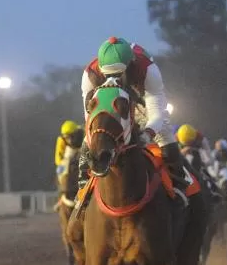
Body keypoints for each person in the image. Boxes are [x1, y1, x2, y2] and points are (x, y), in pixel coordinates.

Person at [76, 37, 181, 199]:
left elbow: (157, 113)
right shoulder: (90, 74)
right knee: (89, 140)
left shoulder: (148, 70)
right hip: (112, 104)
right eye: (107, 75)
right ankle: (82, 191)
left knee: (165, 134)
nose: (113, 79)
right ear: (101, 68)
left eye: (118, 74)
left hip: (142, 102)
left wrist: (148, 134)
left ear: (131, 65)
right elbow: (89, 117)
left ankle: (180, 185)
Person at [55, 120, 83, 188]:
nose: (69, 140)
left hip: (81, 155)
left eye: (71, 136)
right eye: (66, 137)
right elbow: (58, 159)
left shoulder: (83, 136)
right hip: (68, 159)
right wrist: (66, 164)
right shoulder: (61, 140)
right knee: (59, 170)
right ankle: (63, 187)